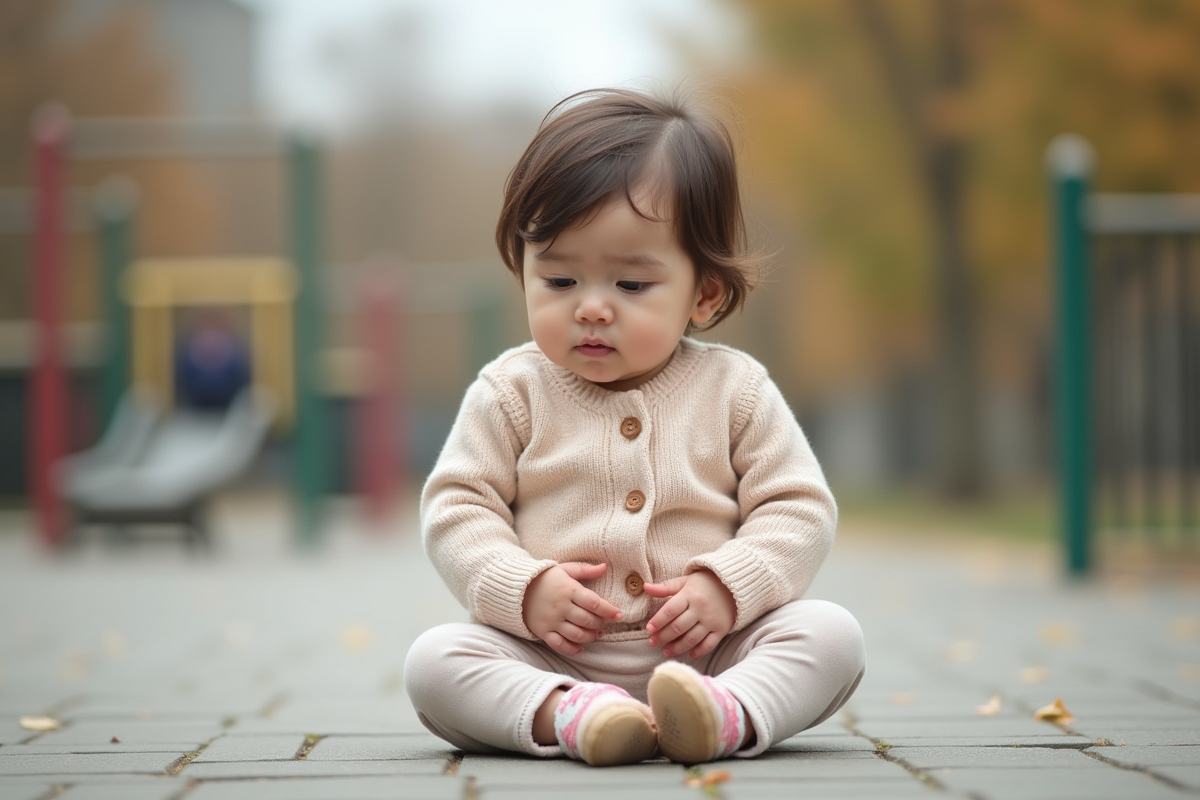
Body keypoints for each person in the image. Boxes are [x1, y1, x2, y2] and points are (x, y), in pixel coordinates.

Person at [404, 88, 865, 767]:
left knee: (831, 636)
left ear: (702, 293)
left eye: (630, 286)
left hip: (710, 654)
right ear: (524, 271)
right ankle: (573, 715)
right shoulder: (511, 391)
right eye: (559, 280)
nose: (591, 308)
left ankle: (725, 713)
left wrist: (727, 586)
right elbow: (457, 508)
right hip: (551, 654)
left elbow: (797, 507)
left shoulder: (734, 390)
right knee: (435, 662)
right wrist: (523, 589)